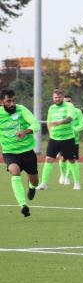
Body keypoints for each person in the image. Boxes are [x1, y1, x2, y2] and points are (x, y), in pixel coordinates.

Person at [0, 89, 40, 217]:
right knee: (14, 171)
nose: (12, 103)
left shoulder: (21, 109)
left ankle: (32, 187)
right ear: (1, 102)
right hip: (10, 152)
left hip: (27, 151)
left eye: (13, 100)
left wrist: (25, 132)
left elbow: (36, 124)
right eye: (8, 101)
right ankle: (23, 205)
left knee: (35, 181)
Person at [37, 89, 77, 190]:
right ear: (53, 98)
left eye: (59, 97)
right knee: (48, 159)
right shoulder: (51, 108)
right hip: (54, 138)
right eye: (55, 97)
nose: (57, 99)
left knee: (71, 160)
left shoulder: (69, 105)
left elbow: (70, 118)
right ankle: (44, 183)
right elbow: (49, 122)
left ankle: (76, 183)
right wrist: (50, 133)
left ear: (62, 97)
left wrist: (59, 122)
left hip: (68, 138)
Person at [58, 94, 83, 190]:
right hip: (63, 139)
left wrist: (75, 129)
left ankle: (67, 177)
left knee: (72, 159)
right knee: (63, 158)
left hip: (74, 140)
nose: (67, 103)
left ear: (72, 102)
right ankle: (62, 174)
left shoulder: (77, 111)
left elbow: (82, 124)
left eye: (69, 101)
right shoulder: (60, 112)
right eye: (65, 102)